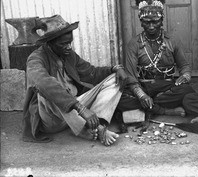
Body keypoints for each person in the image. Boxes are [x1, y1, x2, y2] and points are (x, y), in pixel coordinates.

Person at [22, 15, 128, 146]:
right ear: (49, 43)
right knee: (46, 89)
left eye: (69, 42)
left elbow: (92, 73)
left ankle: (97, 123)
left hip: (75, 110)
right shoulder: (36, 58)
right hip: (52, 118)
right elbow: (42, 83)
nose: (68, 47)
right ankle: (94, 129)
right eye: (63, 44)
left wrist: (115, 68)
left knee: (114, 79)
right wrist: (81, 109)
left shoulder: (69, 55)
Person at [117, 0, 195, 124]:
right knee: (119, 97)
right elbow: (130, 76)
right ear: (141, 22)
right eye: (147, 22)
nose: (151, 26)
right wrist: (141, 95)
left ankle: (151, 105)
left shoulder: (172, 41)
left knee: (187, 91)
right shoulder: (134, 44)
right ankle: (165, 111)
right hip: (144, 86)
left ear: (161, 20)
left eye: (155, 22)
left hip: (167, 87)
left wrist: (185, 76)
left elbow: (184, 66)